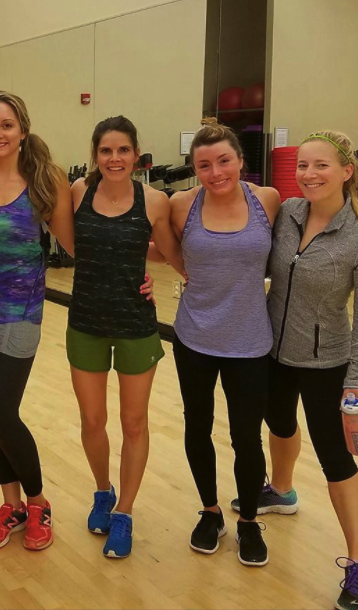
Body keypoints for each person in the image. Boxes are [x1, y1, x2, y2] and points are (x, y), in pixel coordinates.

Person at [232, 131, 358, 609]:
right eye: (303, 165)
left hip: (328, 361)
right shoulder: (287, 213)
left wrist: (354, 383)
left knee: (335, 457)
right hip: (272, 349)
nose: (308, 174)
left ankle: (357, 561)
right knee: (279, 422)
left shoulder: (355, 233)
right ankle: (282, 491)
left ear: (346, 171)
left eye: (321, 165)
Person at [0, 90, 74, 551]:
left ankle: (38, 502)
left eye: (6, 125)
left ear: (22, 129)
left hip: (19, 314)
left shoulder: (46, 178)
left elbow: (74, 245)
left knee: (1, 411)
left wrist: (137, 268)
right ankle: (12, 506)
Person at [67, 116, 185, 559]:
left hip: (135, 324)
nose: (114, 158)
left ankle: (125, 511)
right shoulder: (78, 191)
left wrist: (148, 268)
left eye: (122, 150)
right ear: (95, 155)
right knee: (92, 420)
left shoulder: (154, 200)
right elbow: (74, 242)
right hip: (86, 322)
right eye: (106, 151)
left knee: (134, 422)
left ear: (136, 154)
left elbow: (169, 254)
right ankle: (103, 491)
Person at [169, 118, 281, 567]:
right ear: (194, 169)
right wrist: (176, 272)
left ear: (240, 160)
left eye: (224, 161)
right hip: (194, 336)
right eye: (204, 165)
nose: (215, 172)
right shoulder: (182, 204)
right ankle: (211, 512)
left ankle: (249, 520)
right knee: (197, 427)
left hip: (250, 341)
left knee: (246, 437)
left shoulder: (267, 200)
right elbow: (163, 248)